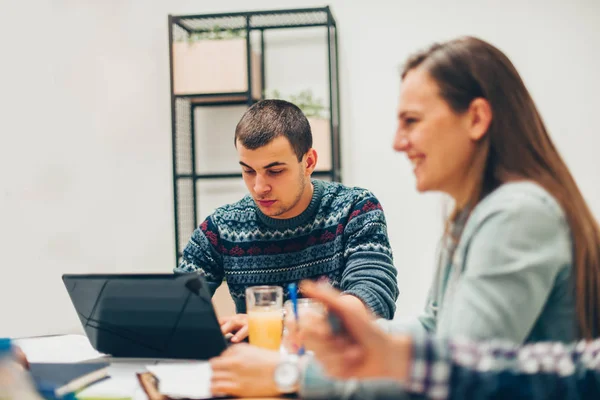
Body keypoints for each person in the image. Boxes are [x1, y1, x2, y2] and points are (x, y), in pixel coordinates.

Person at [208, 35, 600, 399]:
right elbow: (434, 331)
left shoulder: (516, 214)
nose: (398, 142)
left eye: (411, 121)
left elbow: (458, 375)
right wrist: (351, 341)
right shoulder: (469, 217)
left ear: (477, 119)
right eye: (248, 171)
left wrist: (293, 376)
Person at [175, 99, 399, 342]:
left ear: (309, 163)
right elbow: (177, 305)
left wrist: (271, 319)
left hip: (333, 372)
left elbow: (372, 299)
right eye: (248, 171)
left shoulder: (355, 209)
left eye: (275, 171)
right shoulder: (223, 227)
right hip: (256, 372)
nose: (259, 187)